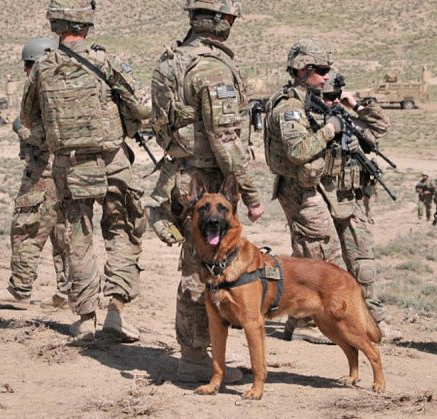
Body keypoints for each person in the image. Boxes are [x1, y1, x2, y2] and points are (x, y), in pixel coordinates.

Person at [146, 0, 264, 383]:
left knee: (194, 266)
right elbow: (225, 139)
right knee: (201, 271)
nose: (231, 24)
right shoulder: (211, 66)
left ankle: (196, 353)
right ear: (215, 21)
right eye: (228, 18)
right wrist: (250, 194)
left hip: (182, 179)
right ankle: (196, 359)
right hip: (207, 184)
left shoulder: (172, 60)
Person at [19, 0, 151, 342]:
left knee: (78, 238)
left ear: (55, 25)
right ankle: (116, 313)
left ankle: (84, 318)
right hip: (112, 161)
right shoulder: (107, 61)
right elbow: (140, 107)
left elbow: (30, 121)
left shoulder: (42, 69)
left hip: (69, 165)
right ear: (87, 26)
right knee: (122, 232)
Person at [264, 39, 344, 345]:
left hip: (304, 187)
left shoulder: (302, 101)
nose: (326, 77)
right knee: (318, 252)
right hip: (297, 189)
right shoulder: (290, 107)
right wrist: (329, 130)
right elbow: (297, 150)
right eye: (321, 70)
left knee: (308, 253)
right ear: (304, 69)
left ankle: (300, 319)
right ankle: (307, 324)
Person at [0, 38, 68, 311]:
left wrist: (20, 128)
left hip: (43, 171)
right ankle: (68, 292)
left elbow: (46, 137)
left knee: (26, 228)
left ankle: (19, 290)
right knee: (62, 233)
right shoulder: (65, 87)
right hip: (67, 172)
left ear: (30, 66)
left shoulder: (41, 90)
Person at [319, 74, 402, 341]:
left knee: (363, 262)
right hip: (322, 200)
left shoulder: (349, 119)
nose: (332, 101)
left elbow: (381, 126)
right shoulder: (313, 122)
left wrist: (355, 104)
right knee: (322, 265)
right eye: (328, 97)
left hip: (352, 201)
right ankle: (317, 323)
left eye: (336, 96)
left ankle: (376, 321)